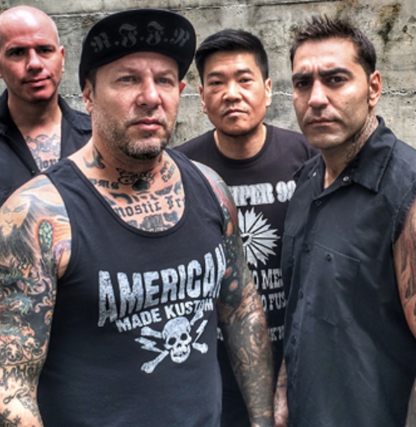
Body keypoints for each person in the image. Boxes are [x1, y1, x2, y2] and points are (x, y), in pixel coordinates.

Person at [0, 9, 274, 427]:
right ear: (88, 95)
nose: (150, 96)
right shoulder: (36, 217)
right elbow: (12, 386)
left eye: (163, 80)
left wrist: (262, 419)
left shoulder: (211, 189)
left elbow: (241, 310)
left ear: (180, 91)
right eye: (128, 80)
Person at [276, 16, 416, 427]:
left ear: (373, 88)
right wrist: (283, 392)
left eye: (335, 80)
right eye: (302, 83)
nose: (316, 98)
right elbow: (302, 304)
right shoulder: (307, 180)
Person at [176, 29, 316, 427]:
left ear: (268, 90)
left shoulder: (308, 159)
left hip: (299, 361)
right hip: (217, 372)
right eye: (217, 83)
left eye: (244, 79)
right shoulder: (183, 171)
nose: (231, 94)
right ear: (201, 98)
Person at [0, 5, 91, 206]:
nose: (34, 64)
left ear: (62, 59)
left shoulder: (99, 138)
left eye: (44, 50)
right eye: (17, 52)